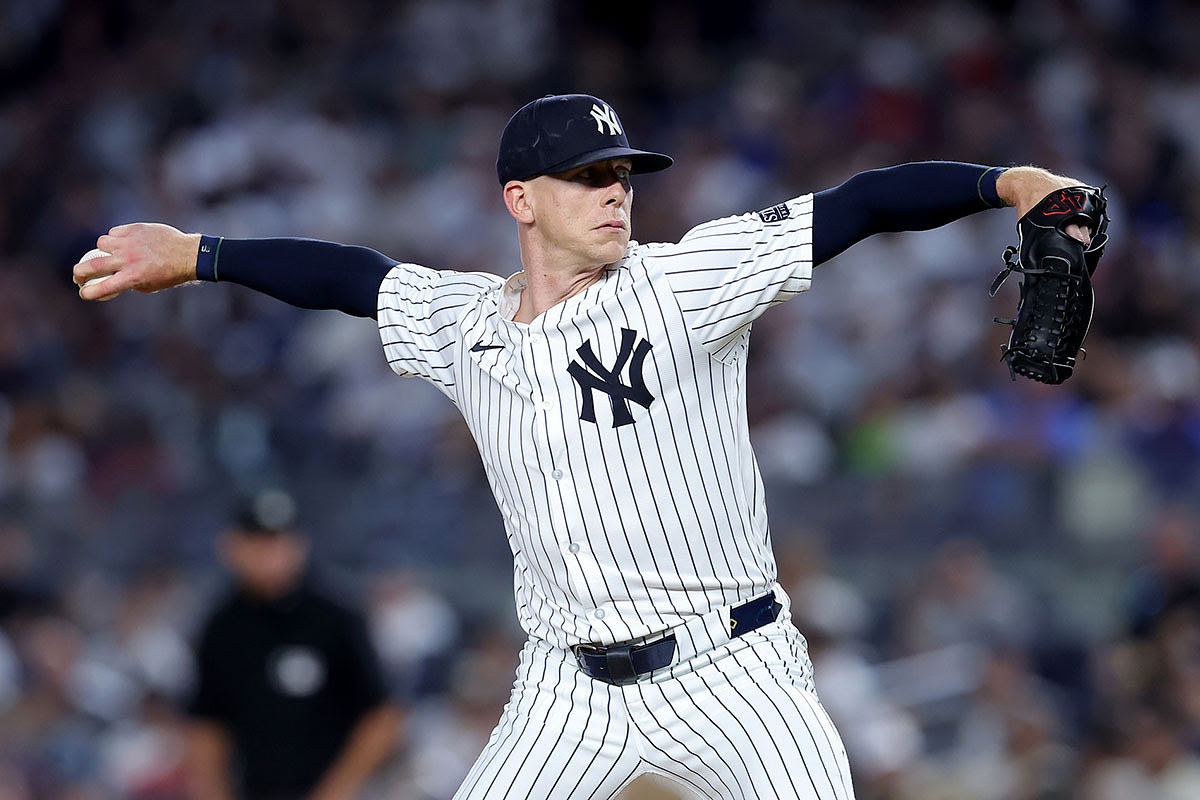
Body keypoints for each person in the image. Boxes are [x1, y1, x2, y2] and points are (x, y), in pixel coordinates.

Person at [78, 94, 1100, 799]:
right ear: (521, 199)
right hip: (564, 688)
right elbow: (348, 275)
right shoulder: (462, 320)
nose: (617, 190)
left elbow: (864, 205)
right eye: (586, 175)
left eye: (622, 173)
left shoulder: (685, 281)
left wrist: (1006, 182)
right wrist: (199, 256)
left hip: (732, 666)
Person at [186, 489, 402, 800]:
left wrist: (336, 791)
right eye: (257, 541)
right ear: (231, 546)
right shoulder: (221, 627)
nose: (269, 554)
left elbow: (382, 717)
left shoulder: (334, 618)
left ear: (300, 545)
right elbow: (207, 725)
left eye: (277, 541)